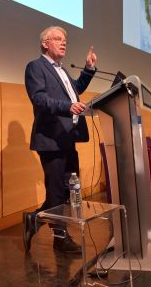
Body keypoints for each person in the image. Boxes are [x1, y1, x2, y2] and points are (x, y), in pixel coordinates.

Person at [23, 26, 97, 253]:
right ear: (45, 43)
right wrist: (68, 107)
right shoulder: (36, 67)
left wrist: (89, 69)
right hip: (50, 139)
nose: (64, 43)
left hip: (68, 138)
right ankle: (59, 238)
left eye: (65, 40)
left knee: (68, 191)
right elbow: (40, 99)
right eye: (58, 39)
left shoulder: (62, 70)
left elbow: (76, 90)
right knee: (55, 192)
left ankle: (35, 220)